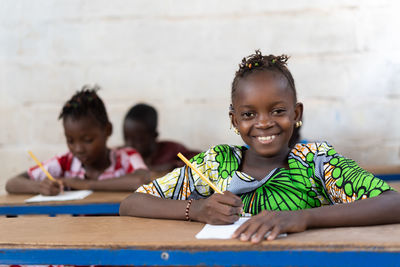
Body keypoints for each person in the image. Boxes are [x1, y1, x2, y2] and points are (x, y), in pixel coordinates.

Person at [119, 50, 400, 243]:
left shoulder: (316, 161)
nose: (263, 123)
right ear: (234, 119)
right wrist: (197, 209)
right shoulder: (216, 163)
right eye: (249, 114)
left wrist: (302, 218)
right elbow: (131, 204)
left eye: (277, 111)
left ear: (296, 114)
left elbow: (393, 202)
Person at [6, 86, 151, 195]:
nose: (78, 149)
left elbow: (142, 180)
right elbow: (12, 184)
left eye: (87, 140)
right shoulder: (65, 162)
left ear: (107, 130)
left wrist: (86, 184)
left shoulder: (127, 156)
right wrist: (41, 187)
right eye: (70, 141)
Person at [123, 103, 200, 173]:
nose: (129, 144)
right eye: (126, 138)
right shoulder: (121, 155)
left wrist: (174, 166)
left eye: (138, 140)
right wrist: (157, 169)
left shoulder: (172, 150)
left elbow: (199, 163)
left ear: (154, 135)